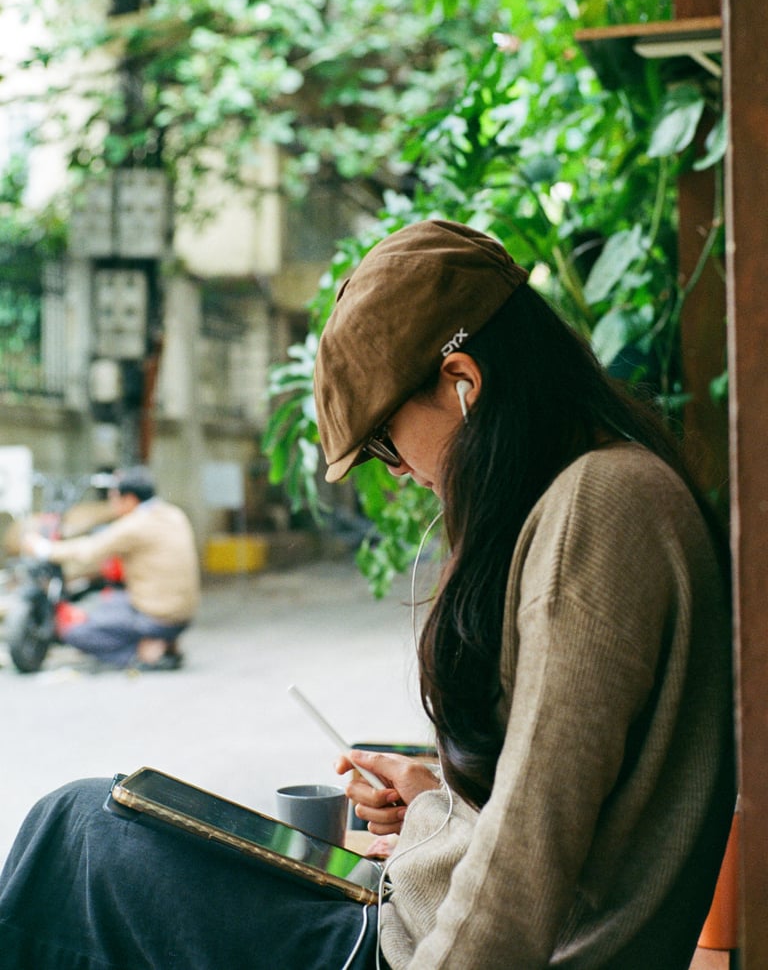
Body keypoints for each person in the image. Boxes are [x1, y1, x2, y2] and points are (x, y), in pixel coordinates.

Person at [0, 220, 734, 969]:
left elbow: (528, 856)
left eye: (385, 440)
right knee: (107, 815)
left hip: (411, 953)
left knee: (80, 835)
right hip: (407, 920)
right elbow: (552, 802)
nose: (399, 471)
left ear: (464, 383)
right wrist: (433, 802)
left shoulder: (599, 510)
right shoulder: (605, 490)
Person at [22, 465, 200, 670]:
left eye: (115, 497)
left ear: (131, 499)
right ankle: (165, 641)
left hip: (158, 614)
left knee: (73, 631)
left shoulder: (135, 525)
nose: (111, 502)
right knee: (109, 603)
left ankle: (145, 653)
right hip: (181, 611)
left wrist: (44, 548)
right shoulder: (173, 514)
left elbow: (90, 550)